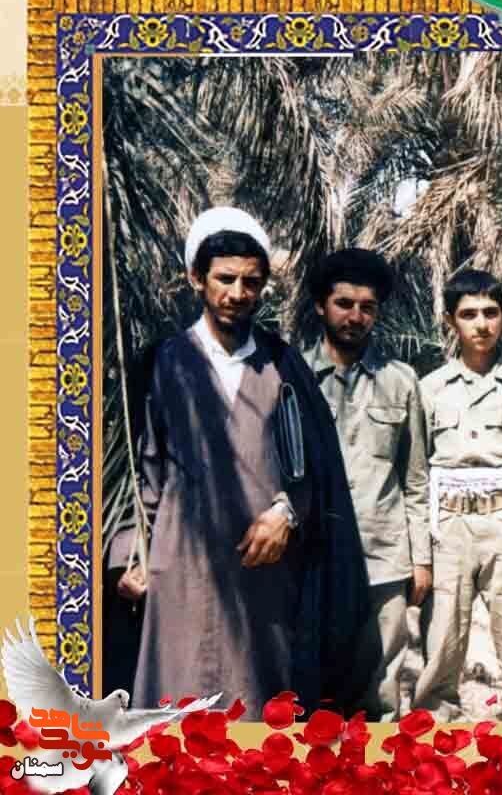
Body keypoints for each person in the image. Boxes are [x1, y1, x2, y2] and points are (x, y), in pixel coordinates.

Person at [106, 207, 372, 719]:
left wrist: (286, 513)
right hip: (179, 565)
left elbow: (314, 468)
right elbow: (140, 472)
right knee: (175, 704)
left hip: (263, 572)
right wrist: (129, 555)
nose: (237, 293)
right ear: (197, 278)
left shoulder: (282, 364)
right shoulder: (162, 362)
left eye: (250, 282)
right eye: (225, 279)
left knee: (257, 709)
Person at [412, 268, 502, 720]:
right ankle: (435, 728)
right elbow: (416, 475)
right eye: (469, 314)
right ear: (450, 321)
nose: (481, 324)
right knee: (441, 641)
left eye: (491, 312)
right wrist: (420, 553)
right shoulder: (430, 388)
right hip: (448, 528)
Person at [303, 248, 431, 722]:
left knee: (381, 686)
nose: (355, 317)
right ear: (321, 305)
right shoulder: (292, 375)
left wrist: (420, 558)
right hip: (313, 555)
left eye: (367, 307)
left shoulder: (401, 382)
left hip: (383, 554)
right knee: (313, 681)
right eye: (344, 304)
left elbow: (415, 479)